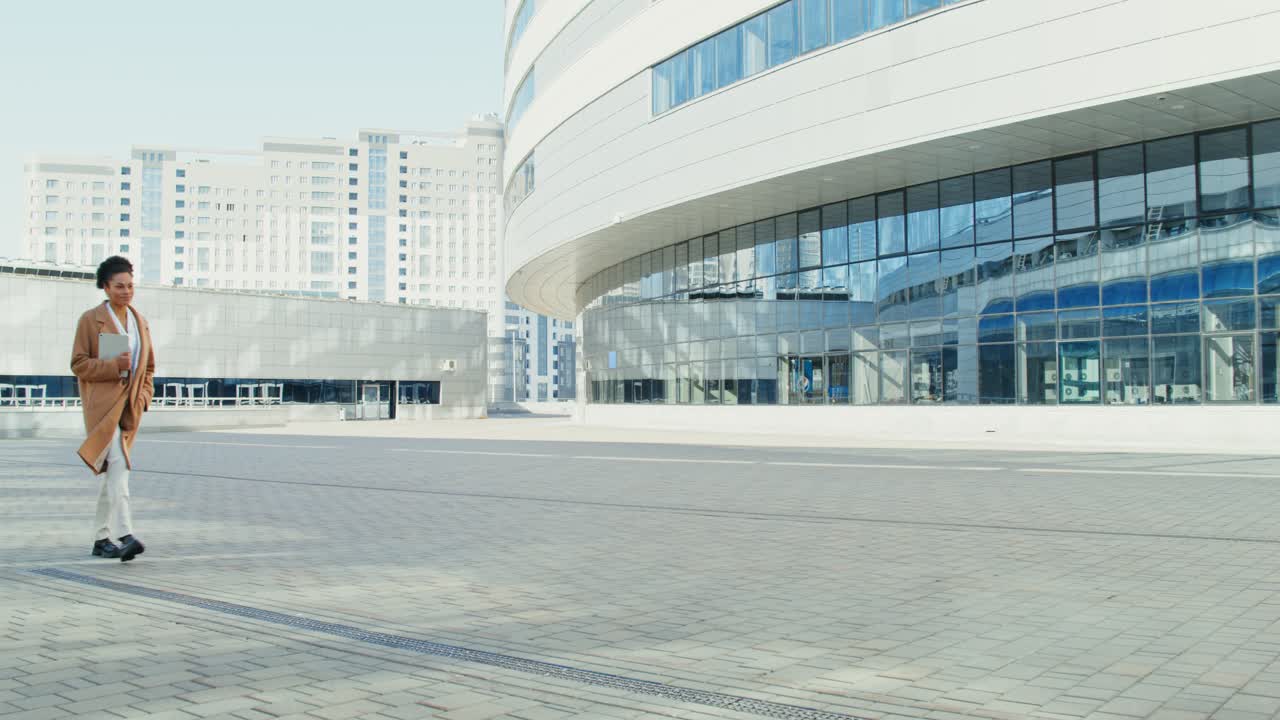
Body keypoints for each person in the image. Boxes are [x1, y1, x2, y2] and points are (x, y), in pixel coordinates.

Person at [70, 256, 156, 562]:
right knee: (120, 466)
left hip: (130, 410)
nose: (126, 291)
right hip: (104, 409)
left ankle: (100, 540)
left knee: (115, 473)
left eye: (130, 285)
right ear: (105, 287)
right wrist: (111, 365)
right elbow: (78, 364)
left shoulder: (140, 321)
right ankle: (125, 534)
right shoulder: (90, 320)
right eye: (119, 286)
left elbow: (149, 369)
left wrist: (145, 396)